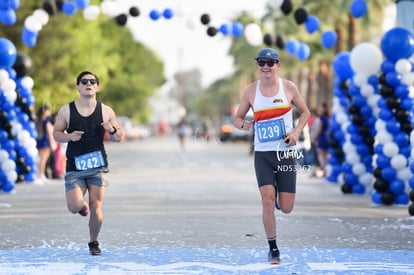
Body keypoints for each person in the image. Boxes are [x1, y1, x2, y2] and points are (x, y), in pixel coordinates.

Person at [233, 48, 310, 264]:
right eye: (261, 62)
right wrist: (242, 124)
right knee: (266, 201)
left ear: (278, 65)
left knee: (286, 207)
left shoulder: (288, 88)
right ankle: (273, 248)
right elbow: (237, 117)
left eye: (270, 62)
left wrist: (295, 133)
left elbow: (306, 112)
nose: (266, 67)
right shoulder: (250, 91)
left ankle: (279, 199)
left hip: (285, 154)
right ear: (257, 65)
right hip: (263, 155)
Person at [53, 71, 123, 256]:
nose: (88, 84)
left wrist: (112, 129)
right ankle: (80, 207)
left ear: (97, 87)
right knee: (74, 206)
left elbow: (119, 138)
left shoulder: (106, 111)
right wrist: (68, 137)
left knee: (96, 206)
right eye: (84, 82)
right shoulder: (66, 110)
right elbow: (56, 134)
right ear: (78, 87)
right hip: (75, 167)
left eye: (92, 81)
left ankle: (93, 241)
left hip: (98, 166)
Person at [35, 105, 57, 182]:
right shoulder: (46, 121)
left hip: (40, 141)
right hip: (46, 141)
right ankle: (41, 174)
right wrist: (52, 142)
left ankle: (41, 174)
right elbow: (50, 133)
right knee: (44, 159)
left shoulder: (39, 121)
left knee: (41, 159)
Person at [313, 103, 330, 178]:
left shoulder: (322, 117)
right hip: (326, 137)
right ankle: (325, 171)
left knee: (322, 155)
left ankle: (325, 171)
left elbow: (320, 129)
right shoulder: (327, 117)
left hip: (322, 137)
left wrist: (316, 137)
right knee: (325, 155)